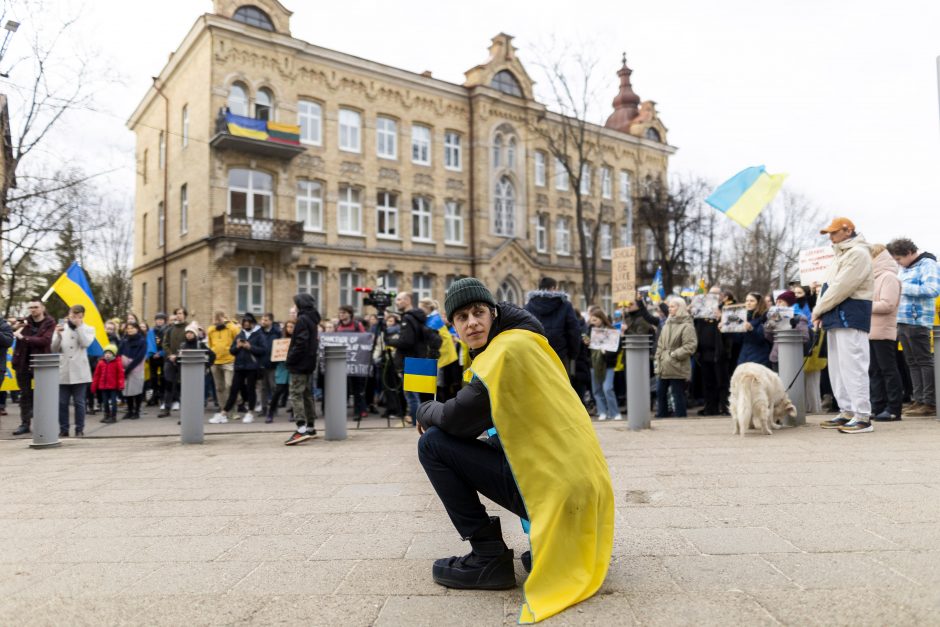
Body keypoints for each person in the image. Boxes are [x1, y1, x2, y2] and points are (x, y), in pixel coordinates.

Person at [415, 278, 613, 622]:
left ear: (493, 313)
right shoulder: (529, 341)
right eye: (462, 317)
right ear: (454, 325)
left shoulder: (506, 351)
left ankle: (487, 556)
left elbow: (458, 420)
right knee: (481, 439)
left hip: (556, 489)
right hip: (583, 493)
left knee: (433, 444)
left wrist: (423, 411)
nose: (472, 322)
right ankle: (544, 545)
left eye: (478, 312)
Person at [813, 217, 875, 434]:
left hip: (851, 311)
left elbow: (842, 287)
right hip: (836, 312)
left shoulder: (858, 253)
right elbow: (831, 286)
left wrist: (818, 308)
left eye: (834, 232)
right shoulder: (840, 254)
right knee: (838, 367)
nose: (830, 236)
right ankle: (847, 410)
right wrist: (822, 308)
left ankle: (862, 416)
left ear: (847, 231)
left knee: (853, 365)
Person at [886, 237, 939, 417]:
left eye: (899, 259)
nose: (898, 264)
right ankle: (918, 399)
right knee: (912, 362)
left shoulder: (928, 264)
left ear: (909, 253)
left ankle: (930, 402)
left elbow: (932, 289)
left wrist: (902, 286)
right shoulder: (906, 268)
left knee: (923, 361)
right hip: (903, 319)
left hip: (919, 320)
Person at [867, 244, 903, 421]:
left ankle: (894, 408)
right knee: (874, 370)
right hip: (872, 331)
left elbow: (888, 305)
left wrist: (864, 306)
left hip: (883, 331)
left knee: (888, 370)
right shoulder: (875, 278)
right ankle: (878, 406)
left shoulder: (889, 277)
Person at [10, 301, 56, 435]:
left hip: (41, 363)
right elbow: (12, 334)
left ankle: (43, 425)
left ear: (42, 308)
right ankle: (25, 424)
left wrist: (24, 338)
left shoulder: (49, 323)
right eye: (30, 307)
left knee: (42, 395)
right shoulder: (24, 322)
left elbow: (45, 341)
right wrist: (13, 328)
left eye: (36, 307)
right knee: (24, 394)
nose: (33, 310)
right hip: (23, 361)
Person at [51, 305, 97, 437]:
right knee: (62, 402)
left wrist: (79, 327)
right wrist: (58, 335)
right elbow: (54, 349)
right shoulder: (61, 326)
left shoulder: (88, 329)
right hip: (63, 370)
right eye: (73, 315)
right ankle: (63, 429)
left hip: (79, 370)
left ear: (82, 316)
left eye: (78, 316)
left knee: (79, 402)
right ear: (69, 314)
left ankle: (79, 429)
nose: (75, 318)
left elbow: (85, 343)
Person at [385, 291, 430, 426]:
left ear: (407, 300)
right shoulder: (417, 317)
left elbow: (407, 341)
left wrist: (390, 341)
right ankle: (415, 419)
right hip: (416, 358)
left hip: (409, 359)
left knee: (411, 395)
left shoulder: (409, 318)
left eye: (399, 300)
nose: (396, 302)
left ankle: (416, 422)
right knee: (413, 393)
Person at [524, 277, 581, 375]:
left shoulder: (529, 306)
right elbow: (574, 331)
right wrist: (573, 354)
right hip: (560, 355)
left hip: (536, 354)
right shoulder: (565, 305)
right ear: (554, 288)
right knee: (561, 387)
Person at [214, 313, 264, 424]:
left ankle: (250, 412)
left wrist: (250, 347)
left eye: (248, 323)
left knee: (251, 390)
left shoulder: (258, 334)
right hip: (239, 366)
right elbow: (231, 351)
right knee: (234, 389)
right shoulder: (240, 334)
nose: (246, 325)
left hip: (252, 366)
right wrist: (237, 347)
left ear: (252, 323)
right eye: (244, 323)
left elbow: (263, 350)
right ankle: (224, 413)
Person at [284, 293, 320, 444]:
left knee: (296, 394)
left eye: (295, 304)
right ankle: (310, 427)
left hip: (300, 364)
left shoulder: (303, 320)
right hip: (309, 362)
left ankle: (301, 429)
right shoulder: (312, 318)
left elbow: (301, 343)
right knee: (306, 394)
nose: (293, 307)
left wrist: (290, 359)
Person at [654, 296, 698, 418]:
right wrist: (658, 358)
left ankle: (680, 419)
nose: (669, 308)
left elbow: (690, 346)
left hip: (677, 364)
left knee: (677, 394)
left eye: (672, 306)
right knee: (660, 392)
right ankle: (662, 417)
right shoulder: (667, 324)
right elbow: (660, 344)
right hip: (664, 364)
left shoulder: (687, 325)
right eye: (669, 306)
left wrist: (673, 355)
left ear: (680, 308)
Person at [586, 310, 622, 421]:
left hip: (608, 364)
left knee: (607, 388)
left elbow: (617, 347)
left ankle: (614, 412)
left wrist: (607, 353)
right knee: (597, 389)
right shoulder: (590, 330)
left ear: (601, 318)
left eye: (595, 320)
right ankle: (602, 411)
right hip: (594, 364)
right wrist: (586, 343)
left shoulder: (612, 330)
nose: (593, 322)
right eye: (591, 320)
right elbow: (587, 349)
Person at [336, 305, 368, 420]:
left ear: (350, 314)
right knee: (342, 388)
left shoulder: (357, 325)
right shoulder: (337, 326)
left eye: (344, 312)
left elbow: (364, 338)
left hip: (356, 362)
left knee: (357, 388)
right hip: (342, 361)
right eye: (340, 313)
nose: (341, 315)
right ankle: (341, 412)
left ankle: (358, 412)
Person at [763, 290, 809, 368]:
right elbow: (769, 337)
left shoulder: (800, 317)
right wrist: (769, 325)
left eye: (780, 301)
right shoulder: (776, 316)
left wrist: (789, 323)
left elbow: (804, 338)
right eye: (776, 302)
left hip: (791, 357)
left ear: (789, 303)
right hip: (776, 357)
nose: (777, 304)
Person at [208, 311, 240, 422]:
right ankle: (223, 411)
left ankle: (233, 410)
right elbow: (210, 344)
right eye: (215, 320)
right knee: (219, 388)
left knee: (230, 385)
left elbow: (237, 342)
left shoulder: (232, 328)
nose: (217, 322)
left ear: (224, 318)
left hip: (229, 361)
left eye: (219, 319)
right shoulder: (211, 329)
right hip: (215, 362)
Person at [157, 308, 189, 418]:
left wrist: (179, 355)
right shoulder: (170, 329)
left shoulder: (189, 328)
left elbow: (190, 343)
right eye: (176, 314)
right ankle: (166, 409)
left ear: (185, 315)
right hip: (170, 361)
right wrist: (170, 355)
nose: (178, 315)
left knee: (183, 386)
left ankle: (186, 411)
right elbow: (165, 344)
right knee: (169, 385)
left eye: (180, 313)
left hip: (184, 361)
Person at [118, 321, 147, 420]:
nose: (130, 330)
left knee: (137, 390)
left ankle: (137, 411)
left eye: (132, 328)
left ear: (137, 329)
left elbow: (140, 356)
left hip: (136, 368)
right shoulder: (124, 340)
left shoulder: (142, 341)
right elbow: (119, 353)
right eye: (128, 328)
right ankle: (130, 411)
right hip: (124, 368)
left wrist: (129, 368)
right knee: (127, 390)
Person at [268, 319, 293, 423]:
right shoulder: (281, 340)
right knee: (278, 391)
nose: (290, 329)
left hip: (293, 369)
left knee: (294, 393)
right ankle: (270, 413)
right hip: (282, 368)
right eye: (288, 327)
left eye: (292, 327)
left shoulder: (299, 340)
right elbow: (275, 355)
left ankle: (294, 413)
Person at [92, 344, 125, 424]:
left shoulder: (117, 362)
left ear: (114, 354)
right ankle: (106, 415)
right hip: (103, 386)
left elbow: (120, 374)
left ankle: (113, 416)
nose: (107, 355)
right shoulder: (101, 363)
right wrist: (94, 386)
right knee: (105, 402)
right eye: (106, 353)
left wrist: (121, 384)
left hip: (113, 386)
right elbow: (96, 375)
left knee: (113, 402)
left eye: (109, 353)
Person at [258, 312, 282, 417]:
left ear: (271, 321)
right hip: (262, 363)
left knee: (273, 387)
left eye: (266, 320)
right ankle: (264, 408)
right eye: (262, 320)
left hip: (273, 364)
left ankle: (274, 407)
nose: (263, 322)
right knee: (263, 388)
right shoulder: (259, 332)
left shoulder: (277, 332)